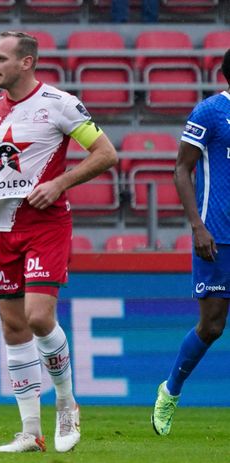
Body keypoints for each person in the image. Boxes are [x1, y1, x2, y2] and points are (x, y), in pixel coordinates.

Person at [0, 31, 117, 453]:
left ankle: (67, 403)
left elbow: (106, 153)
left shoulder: (60, 103)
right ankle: (30, 431)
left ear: (26, 62)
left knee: (37, 317)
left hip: (46, 224)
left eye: (0, 58)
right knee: (13, 327)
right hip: (2, 227)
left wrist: (60, 183)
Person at [152, 48, 230, 437]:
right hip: (219, 234)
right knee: (212, 326)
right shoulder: (211, 112)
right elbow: (181, 169)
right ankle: (171, 390)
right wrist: (197, 226)